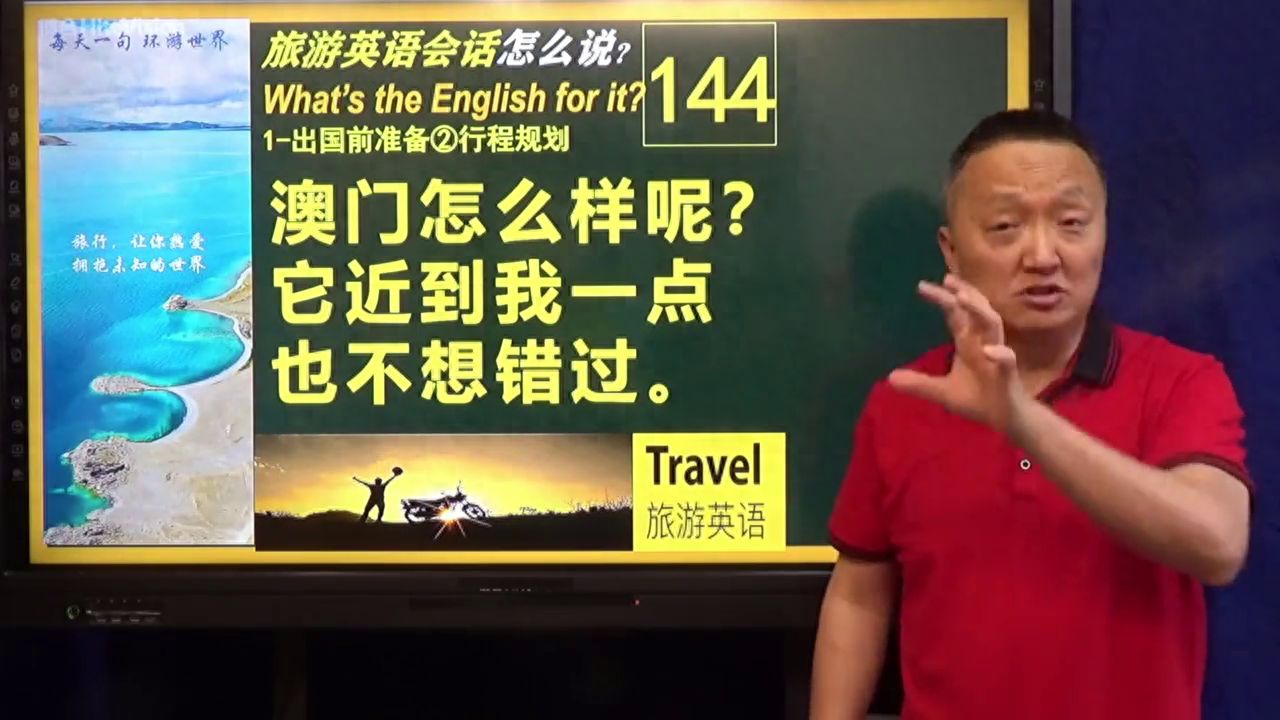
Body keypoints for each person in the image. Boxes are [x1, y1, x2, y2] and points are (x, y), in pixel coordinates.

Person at [810, 108, 1253, 720]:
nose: (1043, 255)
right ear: (952, 250)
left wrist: (1022, 419)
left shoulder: (1181, 381)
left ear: (1104, 234)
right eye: (1005, 226)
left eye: (1071, 224)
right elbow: (859, 596)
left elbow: (1218, 544)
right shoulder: (905, 398)